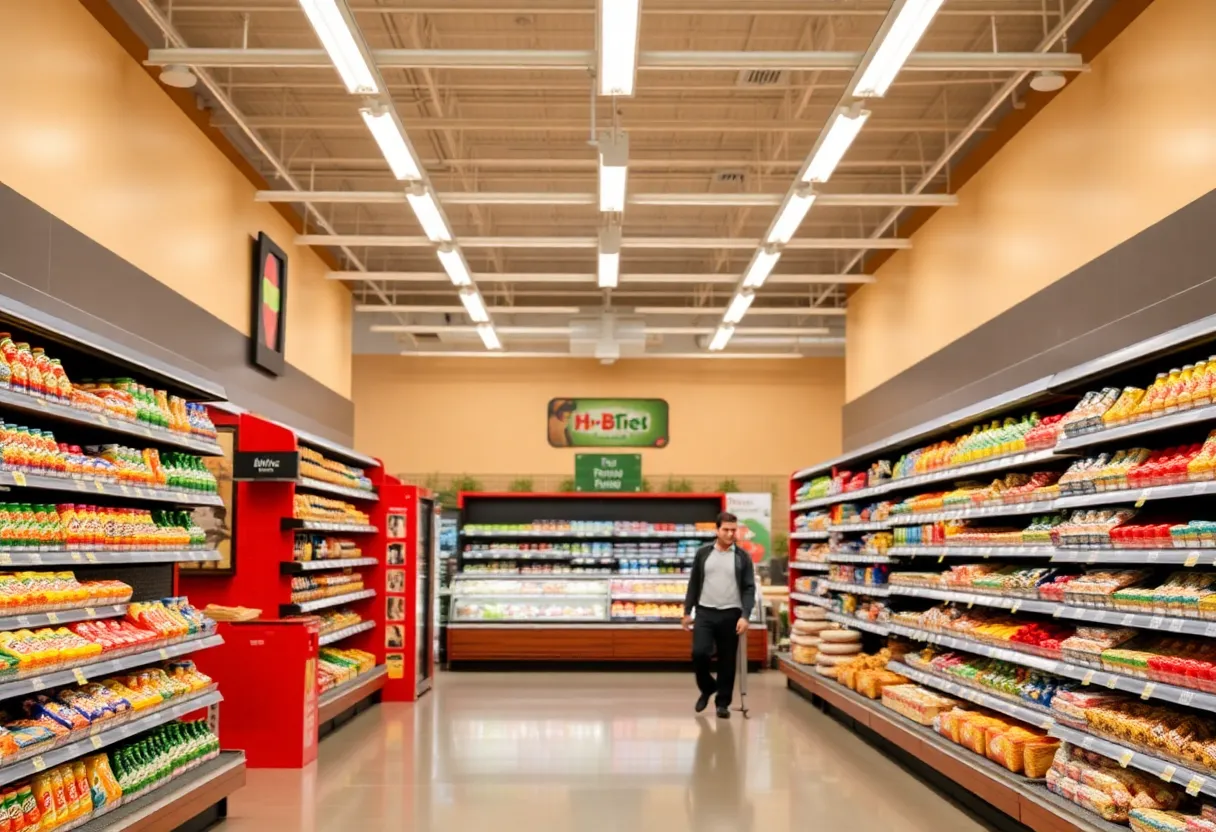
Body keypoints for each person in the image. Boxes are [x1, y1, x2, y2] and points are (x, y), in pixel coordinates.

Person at [681, 512, 756, 719]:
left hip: (731, 614)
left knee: (727, 661)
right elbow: (694, 583)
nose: (730, 533)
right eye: (726, 530)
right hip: (704, 612)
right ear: (717, 530)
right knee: (699, 653)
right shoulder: (703, 553)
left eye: (734, 530)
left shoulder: (742, 557)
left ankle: (722, 702)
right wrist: (687, 611)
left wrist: (745, 615)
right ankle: (707, 687)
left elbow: (749, 588)